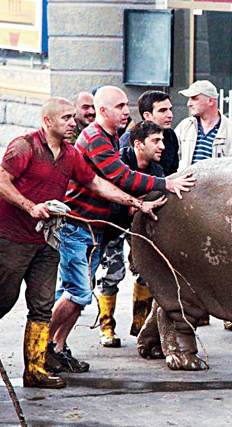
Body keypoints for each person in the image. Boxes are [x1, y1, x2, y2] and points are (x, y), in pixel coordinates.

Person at [0, 97, 170, 390]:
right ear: (47, 121)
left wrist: (136, 203)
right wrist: (31, 206)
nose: (73, 123)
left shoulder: (70, 154)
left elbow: (96, 183)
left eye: (74, 117)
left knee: (42, 305)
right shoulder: (24, 146)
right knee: (6, 297)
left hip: (47, 238)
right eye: (66, 118)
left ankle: (35, 369)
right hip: (11, 237)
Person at [48, 86, 195, 372]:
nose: (126, 111)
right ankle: (41, 347)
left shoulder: (112, 137)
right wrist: (166, 184)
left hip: (93, 228)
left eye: (126, 105)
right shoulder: (94, 138)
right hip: (79, 227)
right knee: (76, 292)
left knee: (78, 293)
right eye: (119, 106)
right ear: (102, 111)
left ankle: (56, 348)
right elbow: (120, 176)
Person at [96, 121, 165, 348]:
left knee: (146, 272)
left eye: (162, 140)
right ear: (138, 144)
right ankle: (107, 327)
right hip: (112, 226)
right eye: (156, 141)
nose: (162, 146)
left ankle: (140, 324)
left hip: (140, 228)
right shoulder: (119, 161)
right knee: (112, 274)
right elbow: (108, 194)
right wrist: (130, 207)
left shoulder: (157, 169)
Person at [174, 80, 232, 169]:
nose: (189, 104)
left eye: (194, 98)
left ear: (210, 101)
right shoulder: (185, 126)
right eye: (189, 99)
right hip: (186, 182)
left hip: (218, 182)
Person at [119, 90, 179, 175]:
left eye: (170, 109)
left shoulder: (171, 136)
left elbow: (172, 171)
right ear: (147, 116)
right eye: (163, 110)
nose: (170, 115)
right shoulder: (128, 138)